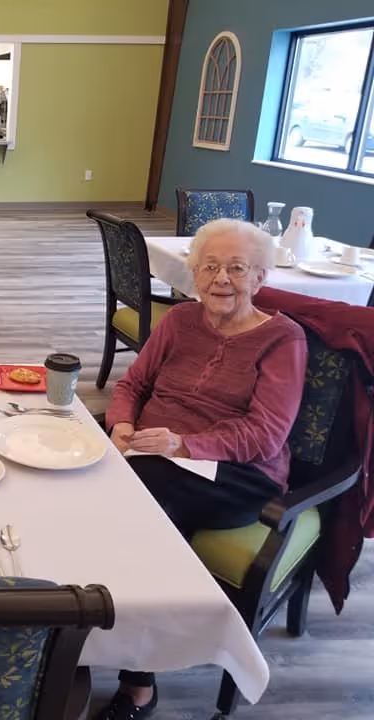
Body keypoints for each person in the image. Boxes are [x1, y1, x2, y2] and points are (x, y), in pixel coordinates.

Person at [97, 219, 308, 719]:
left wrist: (183, 444)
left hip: (239, 473)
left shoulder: (283, 340)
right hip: (153, 451)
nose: (221, 279)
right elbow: (132, 385)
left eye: (237, 268)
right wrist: (121, 423)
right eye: (209, 266)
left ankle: (138, 684)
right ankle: (77, 626)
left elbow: (266, 434)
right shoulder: (178, 322)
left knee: (143, 509)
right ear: (194, 273)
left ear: (260, 278)